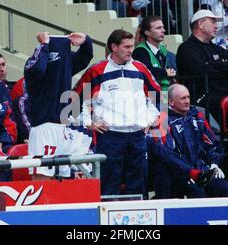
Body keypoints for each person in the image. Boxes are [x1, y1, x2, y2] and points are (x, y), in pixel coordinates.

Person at [74, 29, 161, 197]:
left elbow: (157, 96)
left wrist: (150, 119)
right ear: (114, 47)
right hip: (110, 136)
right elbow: (76, 99)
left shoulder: (140, 69)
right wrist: (88, 123)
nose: (131, 50)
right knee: (109, 184)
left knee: (138, 184)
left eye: (132, 46)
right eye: (126, 46)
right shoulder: (97, 70)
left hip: (137, 136)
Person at [25, 31, 94, 180]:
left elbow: (85, 57)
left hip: (63, 127)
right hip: (43, 128)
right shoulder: (33, 66)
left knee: (65, 179)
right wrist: (44, 45)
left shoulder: (64, 66)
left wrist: (86, 41)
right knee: (42, 180)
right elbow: (37, 69)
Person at [149, 84, 228, 198]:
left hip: (201, 171)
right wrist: (189, 172)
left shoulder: (196, 115)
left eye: (188, 97)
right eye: (183, 98)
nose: (187, 101)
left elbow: (213, 143)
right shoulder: (159, 117)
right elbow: (163, 153)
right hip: (176, 174)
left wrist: (214, 163)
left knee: (223, 187)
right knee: (196, 192)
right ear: (171, 102)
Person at [176, 9, 228, 124]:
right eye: (213, 22)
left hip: (223, 92)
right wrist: (221, 66)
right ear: (200, 24)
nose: (216, 26)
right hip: (201, 97)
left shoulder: (216, 48)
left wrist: (214, 64)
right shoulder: (186, 48)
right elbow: (203, 72)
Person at [132, 15, 176, 93]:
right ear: (147, 32)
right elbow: (147, 71)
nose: (163, 30)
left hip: (164, 91)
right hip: (151, 92)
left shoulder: (162, 49)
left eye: (163, 27)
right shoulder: (140, 51)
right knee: (159, 105)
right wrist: (166, 72)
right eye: (158, 28)